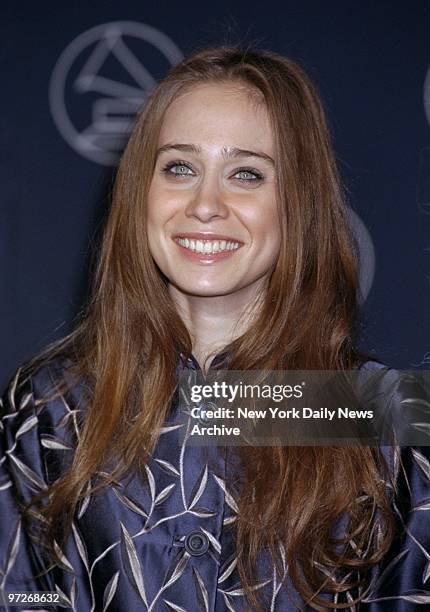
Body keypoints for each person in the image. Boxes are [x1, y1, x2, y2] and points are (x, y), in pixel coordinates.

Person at [1, 45, 430, 612]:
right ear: (140, 193)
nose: (206, 204)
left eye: (246, 173)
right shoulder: (51, 406)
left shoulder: (378, 414)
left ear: (298, 204)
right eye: (180, 167)